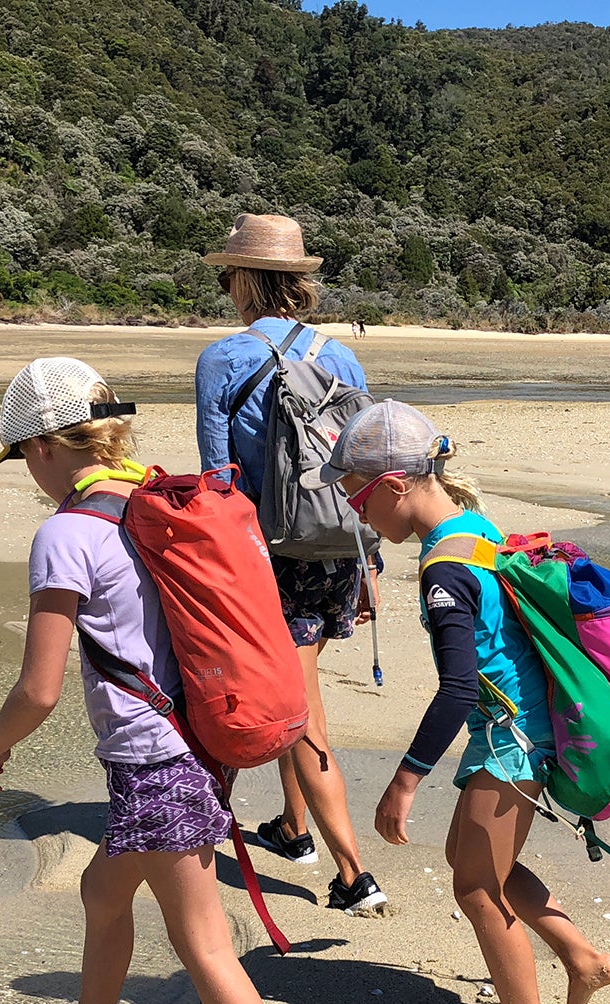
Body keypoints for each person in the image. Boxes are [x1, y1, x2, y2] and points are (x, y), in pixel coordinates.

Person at [0, 358, 320, 1004]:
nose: (29, 472)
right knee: (101, 892)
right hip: (202, 739)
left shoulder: (66, 533)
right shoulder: (156, 503)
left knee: (202, 944)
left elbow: (39, 689)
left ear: (47, 447)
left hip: (155, 760)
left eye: (24, 455)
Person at [307, 400, 610, 1004]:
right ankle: (584, 960)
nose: (357, 516)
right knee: (474, 861)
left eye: (357, 499)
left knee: (478, 889)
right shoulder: (471, 528)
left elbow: (455, 689)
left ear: (393, 486)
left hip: (511, 739)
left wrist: (405, 779)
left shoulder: (442, 571)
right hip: (519, 728)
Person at [196, 213, 386, 916]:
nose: (224, 287)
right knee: (296, 684)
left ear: (244, 279)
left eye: (227, 275)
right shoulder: (341, 355)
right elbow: (363, 459)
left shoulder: (222, 359)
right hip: (339, 546)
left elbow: (220, 482)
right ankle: (294, 829)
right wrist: (367, 564)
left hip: (270, 553)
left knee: (298, 707)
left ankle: (353, 874)